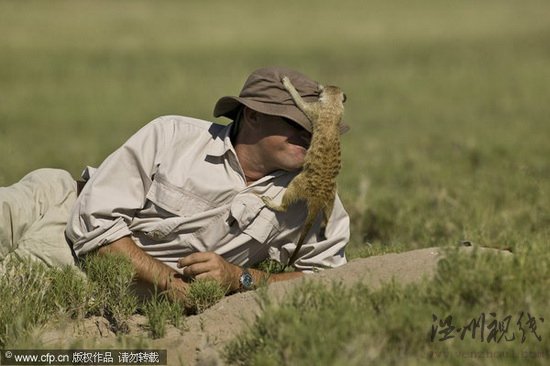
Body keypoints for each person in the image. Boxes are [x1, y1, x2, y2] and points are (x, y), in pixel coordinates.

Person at [0, 67, 350, 304]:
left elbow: (328, 282)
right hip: (55, 207)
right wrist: (171, 283)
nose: (312, 137)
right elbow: (96, 226)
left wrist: (240, 278)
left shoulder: (315, 198)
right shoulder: (171, 135)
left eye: (319, 129)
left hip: (80, 276)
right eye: (298, 125)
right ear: (253, 116)